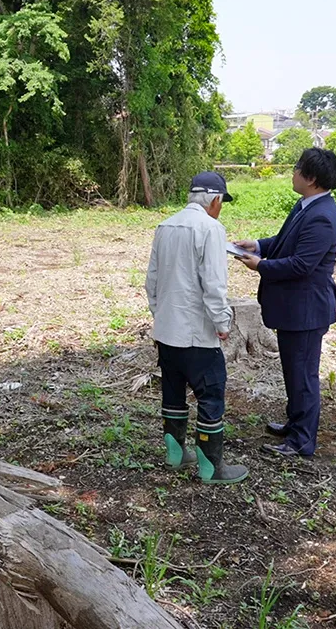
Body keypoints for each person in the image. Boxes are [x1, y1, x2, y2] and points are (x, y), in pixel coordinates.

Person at [233, 148, 336, 458]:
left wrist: (260, 265)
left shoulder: (322, 216)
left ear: (310, 178)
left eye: (297, 169)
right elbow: (283, 244)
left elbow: (300, 265)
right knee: (294, 372)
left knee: (304, 376)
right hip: (295, 309)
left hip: (307, 310)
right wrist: (257, 245)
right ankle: (295, 423)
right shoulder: (306, 206)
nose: (292, 173)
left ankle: (301, 441)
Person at [145, 171, 249, 484]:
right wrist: (222, 322)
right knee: (211, 394)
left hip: (167, 332)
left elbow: (152, 280)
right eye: (222, 203)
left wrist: (160, 313)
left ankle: (176, 454)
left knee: (173, 392)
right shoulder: (211, 228)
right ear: (215, 200)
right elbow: (214, 285)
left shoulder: (165, 226)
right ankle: (210, 467)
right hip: (197, 334)